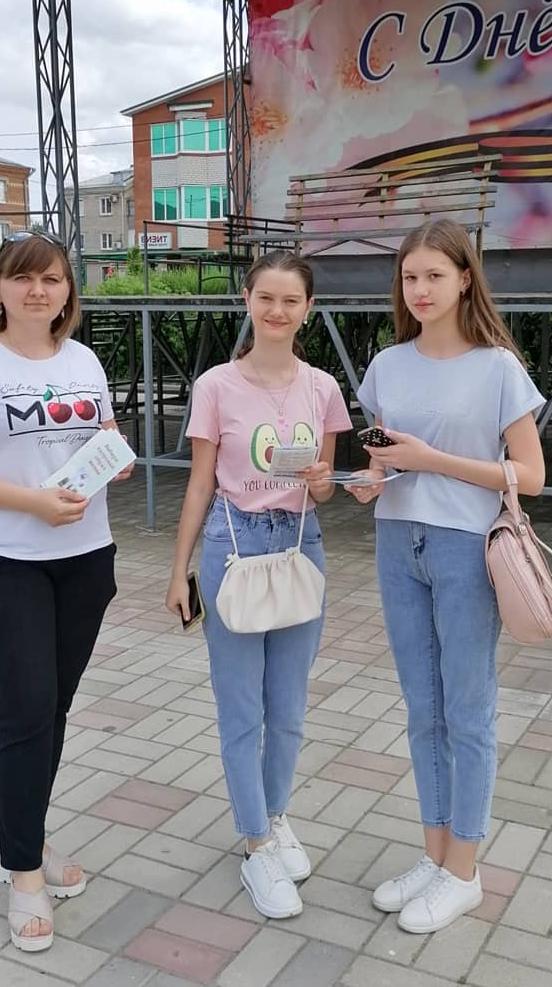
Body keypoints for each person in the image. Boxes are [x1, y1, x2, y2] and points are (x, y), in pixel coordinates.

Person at [0, 231, 133, 952]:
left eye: (53, 279)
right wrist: (31, 502)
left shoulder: (83, 360)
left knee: (51, 710)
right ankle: (24, 873)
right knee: (27, 709)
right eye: (24, 278)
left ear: (69, 290)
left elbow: (101, 434)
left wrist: (115, 457)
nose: (39, 291)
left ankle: (28, 841)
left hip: (85, 557)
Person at [347, 218, 546, 934]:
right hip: (396, 541)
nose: (420, 289)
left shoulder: (498, 368)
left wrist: (432, 461)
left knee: (468, 712)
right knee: (422, 709)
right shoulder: (387, 364)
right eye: (410, 277)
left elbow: (531, 475)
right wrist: (370, 480)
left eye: (435, 275)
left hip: (466, 548)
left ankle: (464, 871)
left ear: (466, 278)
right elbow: (385, 458)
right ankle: (435, 858)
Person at [165, 250, 352, 919]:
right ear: (246, 300)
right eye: (265, 297)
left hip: (300, 544)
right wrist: (179, 570)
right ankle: (256, 842)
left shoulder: (322, 388)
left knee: (290, 708)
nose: (277, 310)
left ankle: (274, 816)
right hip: (233, 545)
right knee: (242, 709)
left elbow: (324, 489)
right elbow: (200, 483)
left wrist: (323, 483)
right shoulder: (216, 385)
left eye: (290, 300)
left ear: (308, 309)